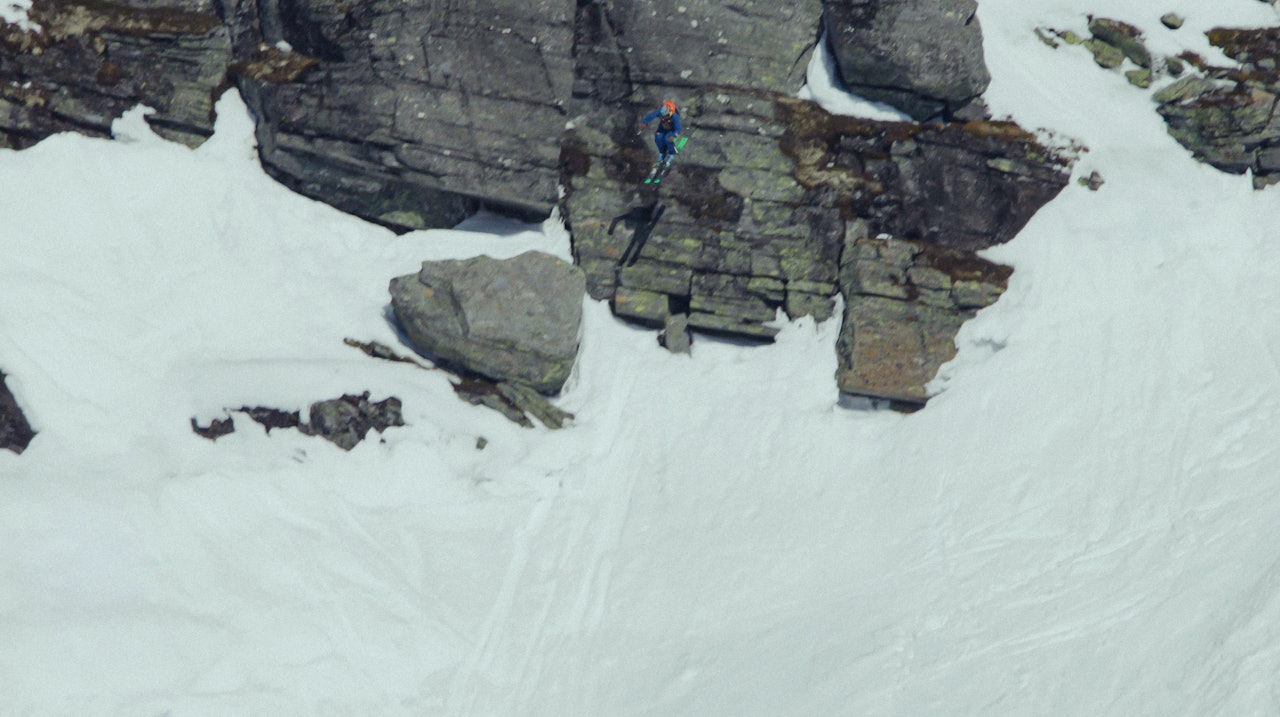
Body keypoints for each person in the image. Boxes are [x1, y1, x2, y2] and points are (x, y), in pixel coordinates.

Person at [641, 100, 682, 166]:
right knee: (658, 138)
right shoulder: (661, 111)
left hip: (671, 130)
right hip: (662, 128)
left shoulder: (675, 116)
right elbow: (652, 115)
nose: (664, 117)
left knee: (667, 139)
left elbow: (678, 129)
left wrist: (674, 135)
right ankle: (662, 152)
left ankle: (672, 152)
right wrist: (645, 122)